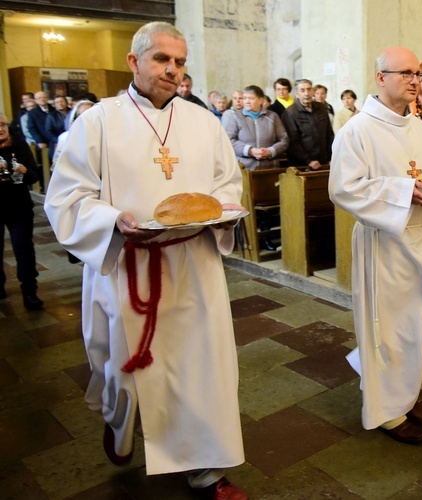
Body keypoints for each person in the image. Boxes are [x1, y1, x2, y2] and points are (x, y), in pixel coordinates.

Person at [43, 22, 247, 499]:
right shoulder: (97, 122)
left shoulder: (203, 122)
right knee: (121, 367)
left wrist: (221, 215)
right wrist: (114, 221)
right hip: (126, 264)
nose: (173, 70)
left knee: (204, 368)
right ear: (134, 62)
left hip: (193, 264)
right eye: (161, 59)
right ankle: (119, 422)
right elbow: (66, 197)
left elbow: (226, 186)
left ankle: (207, 470)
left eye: (179, 62)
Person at [329, 46, 422, 445]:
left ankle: (403, 389)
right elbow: (343, 189)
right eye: (405, 73)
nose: (414, 80)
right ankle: (388, 410)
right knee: (391, 330)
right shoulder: (357, 130)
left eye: (417, 73)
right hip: (383, 244)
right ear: (380, 77)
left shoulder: (421, 128)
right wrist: (405, 192)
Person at [0, 113, 43, 310]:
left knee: (23, 248)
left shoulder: (19, 145)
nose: (0, 129)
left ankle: (29, 291)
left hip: (18, 206)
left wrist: (25, 171)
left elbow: (34, 176)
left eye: (2, 124)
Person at [223, 85, 288, 170]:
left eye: (251, 98)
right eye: (245, 98)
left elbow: (284, 139)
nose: (247, 101)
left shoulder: (272, 116)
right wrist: (250, 150)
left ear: (261, 100)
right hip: (244, 169)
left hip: (270, 167)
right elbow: (229, 140)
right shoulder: (236, 117)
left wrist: (270, 151)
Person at [281, 78, 335, 169]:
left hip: (323, 161)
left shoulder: (321, 108)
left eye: (309, 89)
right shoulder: (290, 112)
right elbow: (293, 142)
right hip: (301, 164)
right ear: (297, 94)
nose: (306, 93)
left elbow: (329, 134)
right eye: (302, 90)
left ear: (313, 91)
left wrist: (331, 157)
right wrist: (308, 161)